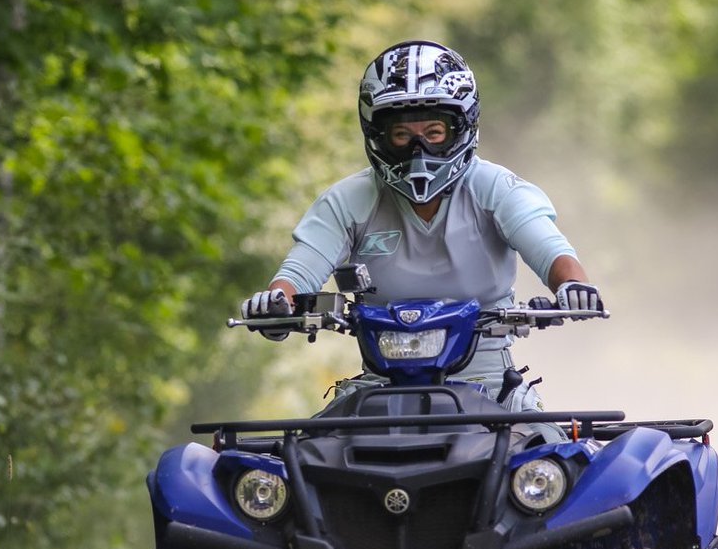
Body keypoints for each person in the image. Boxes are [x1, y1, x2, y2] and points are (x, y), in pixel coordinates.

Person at [240, 39, 603, 410]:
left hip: (491, 385)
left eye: (434, 133)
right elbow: (299, 272)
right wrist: (277, 304)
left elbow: (552, 251)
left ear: (462, 126)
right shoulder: (347, 199)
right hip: (378, 386)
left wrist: (572, 285)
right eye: (401, 135)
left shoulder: (496, 188)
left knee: (548, 455)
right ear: (376, 133)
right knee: (299, 459)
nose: (419, 151)